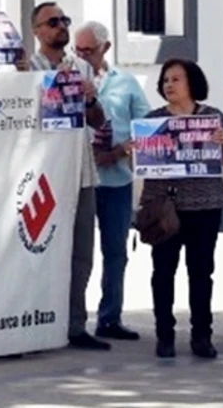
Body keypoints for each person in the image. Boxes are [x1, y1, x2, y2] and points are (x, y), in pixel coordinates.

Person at [20, 2, 109, 350]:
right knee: (35, 248)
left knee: (82, 251)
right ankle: (33, 319)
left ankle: (74, 323)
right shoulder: (27, 68)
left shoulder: (82, 66)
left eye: (64, 20)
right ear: (37, 30)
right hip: (39, 173)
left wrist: (89, 101)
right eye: (52, 22)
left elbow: (100, 121)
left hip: (79, 170)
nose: (61, 27)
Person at [144, 58, 223, 359]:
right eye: (165, 80)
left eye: (176, 79)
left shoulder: (213, 118)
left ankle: (202, 335)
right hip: (165, 208)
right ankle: (165, 335)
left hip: (204, 206)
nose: (169, 85)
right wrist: (135, 148)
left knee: (200, 272)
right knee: (163, 272)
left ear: (192, 84)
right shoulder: (153, 120)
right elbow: (141, 163)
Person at [72, 20, 149, 343]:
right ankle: (73, 318)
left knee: (115, 250)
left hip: (115, 178)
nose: (84, 55)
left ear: (106, 48)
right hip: (79, 179)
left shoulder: (126, 83)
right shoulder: (68, 79)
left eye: (90, 50)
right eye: (79, 50)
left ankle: (110, 316)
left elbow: (145, 128)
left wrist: (118, 152)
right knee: (77, 252)